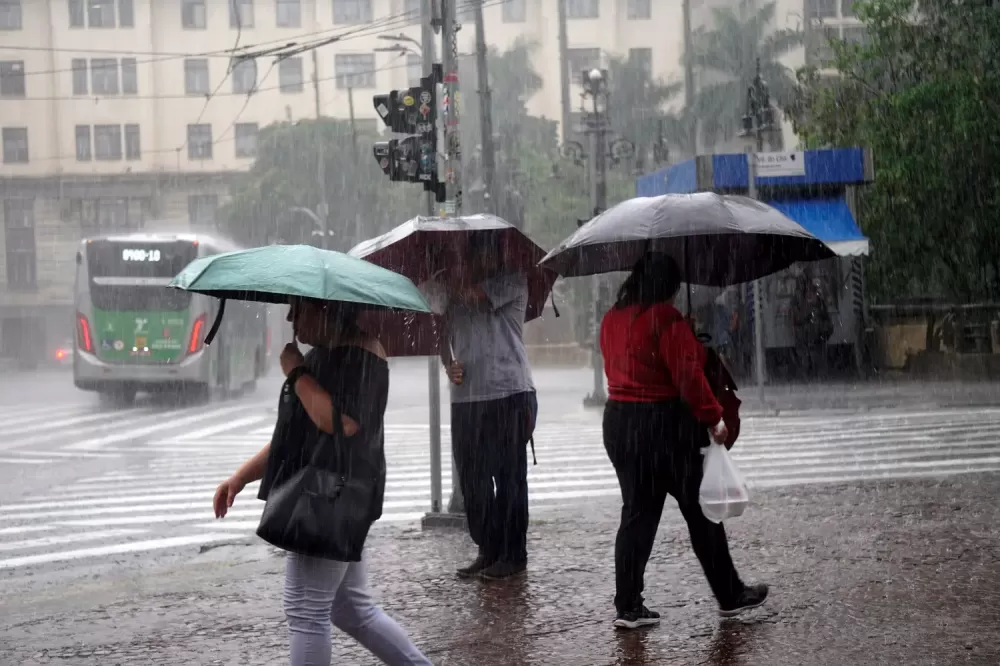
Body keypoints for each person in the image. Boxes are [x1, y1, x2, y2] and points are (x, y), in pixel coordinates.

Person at [212, 297, 431, 666]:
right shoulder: (325, 355)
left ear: (325, 309)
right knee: (350, 609)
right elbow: (295, 433)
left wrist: (297, 375)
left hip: (330, 496)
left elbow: (341, 423)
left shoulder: (358, 356)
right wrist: (240, 478)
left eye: (298, 310)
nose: (290, 318)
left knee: (305, 610)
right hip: (339, 493)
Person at [599, 252, 768, 630]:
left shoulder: (612, 318)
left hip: (620, 423)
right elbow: (687, 378)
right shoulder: (666, 319)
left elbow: (634, 360)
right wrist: (714, 418)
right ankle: (729, 594)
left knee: (637, 514)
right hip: (662, 427)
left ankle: (627, 605)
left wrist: (679, 334)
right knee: (701, 512)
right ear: (667, 287)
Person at [440, 233, 538, 581]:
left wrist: (450, 283)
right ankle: (489, 548)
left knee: (509, 478)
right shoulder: (454, 295)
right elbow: (443, 333)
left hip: (509, 394)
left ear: (495, 258)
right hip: (467, 400)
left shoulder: (512, 281)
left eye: (482, 256)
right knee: (474, 482)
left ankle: (514, 554)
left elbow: (476, 299)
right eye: (472, 257)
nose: (478, 263)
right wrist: (447, 362)